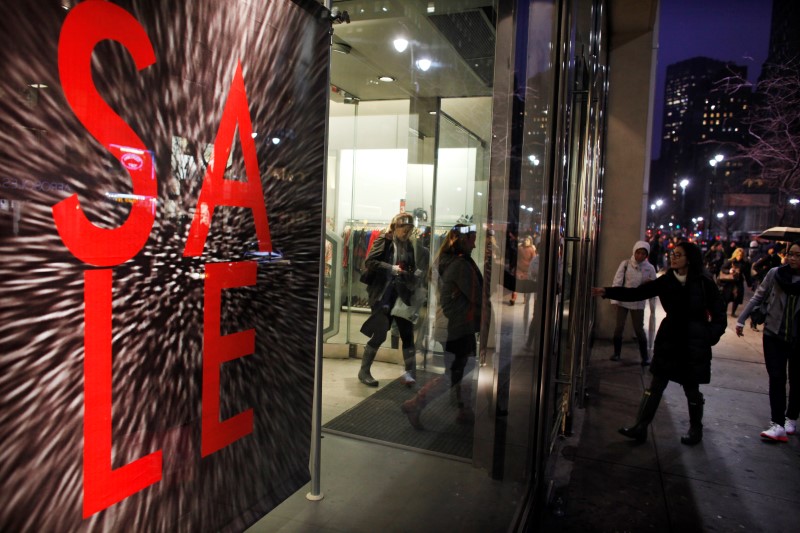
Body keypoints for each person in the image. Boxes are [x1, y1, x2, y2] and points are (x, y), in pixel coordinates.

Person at [591, 242, 726, 445]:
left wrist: (709, 336)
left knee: (691, 387)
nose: (673, 257)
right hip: (670, 339)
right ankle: (641, 427)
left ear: (689, 258)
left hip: (693, 341)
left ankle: (696, 429)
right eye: (672, 254)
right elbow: (636, 294)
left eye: (678, 255)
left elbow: (719, 314)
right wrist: (606, 291)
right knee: (656, 385)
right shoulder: (667, 280)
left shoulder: (704, 282)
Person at [402, 224, 483, 429]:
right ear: (462, 240)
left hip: (453, 325)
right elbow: (471, 296)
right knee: (454, 374)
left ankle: (465, 410)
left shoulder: (450, 261)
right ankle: (416, 404)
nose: (475, 243)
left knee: (464, 369)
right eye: (472, 238)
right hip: (455, 326)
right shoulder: (459, 265)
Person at [734, 240, 800, 443]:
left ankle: (791, 417)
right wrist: (742, 319)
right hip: (773, 334)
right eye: (791, 254)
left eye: (798, 255)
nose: (793, 258)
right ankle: (777, 424)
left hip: (798, 337)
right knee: (777, 378)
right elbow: (758, 297)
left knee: (796, 380)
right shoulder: (775, 273)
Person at [358, 213, 418, 387]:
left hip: (401, 295)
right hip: (383, 295)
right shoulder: (384, 240)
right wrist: (391, 268)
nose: (407, 234)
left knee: (407, 334)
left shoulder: (409, 245)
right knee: (380, 334)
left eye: (410, 230)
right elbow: (370, 261)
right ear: (395, 227)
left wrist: (413, 274)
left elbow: (411, 266)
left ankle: (410, 374)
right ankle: (364, 371)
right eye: (404, 230)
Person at [608, 240, 658, 364]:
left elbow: (655, 286)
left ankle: (645, 357)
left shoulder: (650, 268)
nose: (640, 256)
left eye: (643, 254)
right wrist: (614, 300)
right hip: (624, 300)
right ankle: (616, 353)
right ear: (634, 252)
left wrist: (649, 285)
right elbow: (617, 281)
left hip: (638, 302)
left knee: (639, 330)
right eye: (638, 253)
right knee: (619, 327)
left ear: (647, 255)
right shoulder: (625, 264)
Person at [719, 247, 754, 317]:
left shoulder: (744, 263)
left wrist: (749, 284)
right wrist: (729, 271)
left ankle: (733, 312)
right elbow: (722, 268)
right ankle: (724, 311)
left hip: (738, 282)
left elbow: (747, 274)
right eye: (738, 255)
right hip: (729, 282)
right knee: (726, 298)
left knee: (737, 298)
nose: (739, 257)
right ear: (735, 254)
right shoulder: (730, 261)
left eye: (741, 255)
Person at [510, 235, 536, 305]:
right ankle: (513, 298)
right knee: (516, 284)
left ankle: (525, 299)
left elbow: (534, 260)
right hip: (519, 268)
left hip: (527, 270)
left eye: (527, 240)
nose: (525, 241)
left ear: (530, 241)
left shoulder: (531, 250)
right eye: (525, 240)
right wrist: (512, 265)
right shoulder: (520, 248)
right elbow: (515, 257)